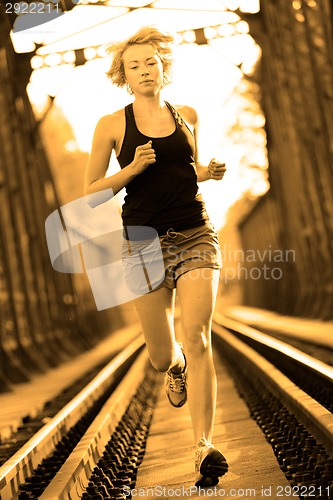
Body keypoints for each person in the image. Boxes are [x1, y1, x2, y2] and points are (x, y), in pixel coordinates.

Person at [84, 26, 228, 487]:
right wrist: (130, 169)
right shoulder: (111, 124)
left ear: (163, 67)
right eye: (134, 66)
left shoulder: (187, 114)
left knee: (198, 335)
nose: (144, 71)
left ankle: (202, 446)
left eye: (151, 62)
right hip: (142, 243)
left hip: (194, 232)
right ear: (123, 76)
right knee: (162, 354)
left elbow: (188, 172)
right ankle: (176, 367)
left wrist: (209, 172)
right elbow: (89, 195)